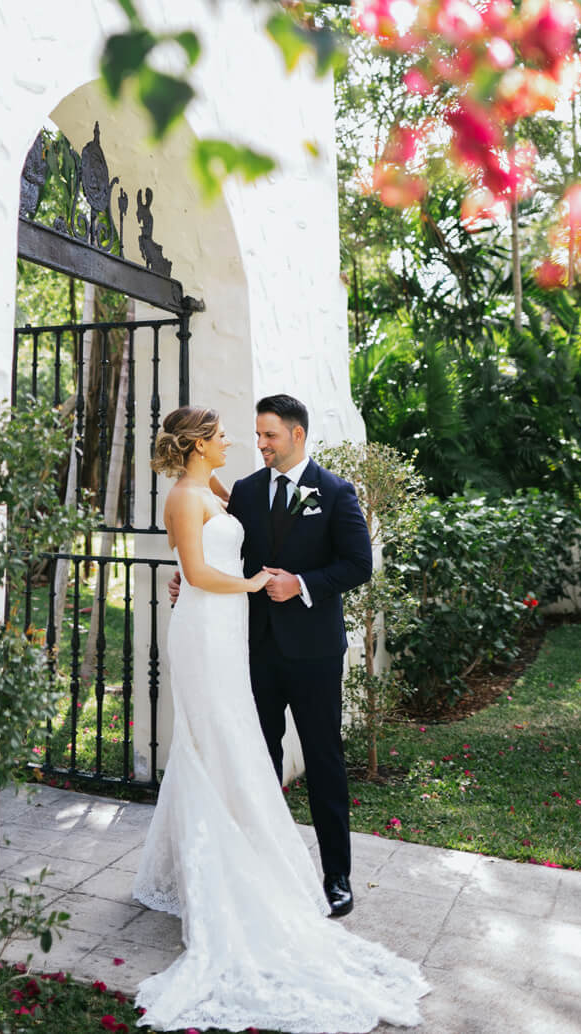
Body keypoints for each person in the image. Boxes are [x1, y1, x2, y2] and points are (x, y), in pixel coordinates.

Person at [133, 404, 429, 1034]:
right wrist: (188, 584)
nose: (259, 443)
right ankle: (257, 868)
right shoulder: (237, 490)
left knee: (322, 759)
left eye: (269, 434)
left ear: (296, 435)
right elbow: (208, 548)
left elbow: (358, 566)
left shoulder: (335, 491)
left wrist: (302, 583)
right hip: (248, 650)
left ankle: (337, 877)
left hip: (315, 650)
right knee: (250, 758)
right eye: (255, 433)